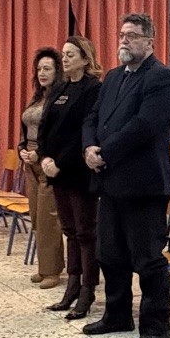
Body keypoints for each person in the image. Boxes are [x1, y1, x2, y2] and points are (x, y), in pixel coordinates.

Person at [82, 13, 170, 338]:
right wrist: (89, 147)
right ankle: (117, 315)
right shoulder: (112, 77)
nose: (124, 40)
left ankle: (156, 327)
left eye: (133, 35)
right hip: (110, 181)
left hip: (144, 184)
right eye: (122, 34)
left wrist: (104, 153)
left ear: (150, 42)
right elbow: (92, 117)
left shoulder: (161, 77)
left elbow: (144, 126)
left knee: (147, 259)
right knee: (110, 254)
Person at [40, 36, 103, 319]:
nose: (64, 59)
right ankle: (72, 285)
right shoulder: (61, 88)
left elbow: (84, 131)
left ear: (85, 58)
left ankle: (88, 289)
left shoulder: (93, 88)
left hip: (78, 171)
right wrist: (44, 157)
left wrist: (60, 163)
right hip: (56, 171)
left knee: (85, 232)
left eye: (70, 55)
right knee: (69, 231)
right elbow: (45, 126)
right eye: (63, 54)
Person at [16, 47, 65, 290]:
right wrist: (21, 149)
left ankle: (52, 271)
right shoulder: (36, 98)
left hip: (48, 162)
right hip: (30, 163)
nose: (42, 73)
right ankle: (44, 266)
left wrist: (41, 152)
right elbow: (25, 129)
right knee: (35, 217)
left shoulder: (61, 99)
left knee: (48, 219)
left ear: (58, 71)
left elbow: (60, 134)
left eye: (47, 68)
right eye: (39, 69)